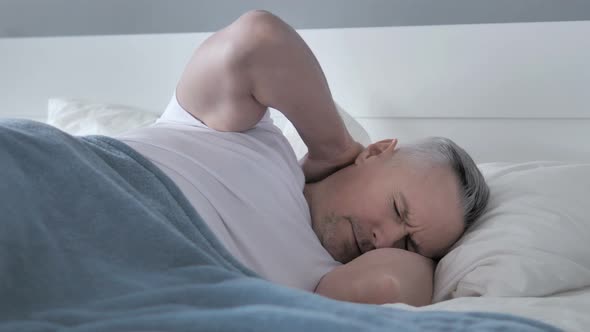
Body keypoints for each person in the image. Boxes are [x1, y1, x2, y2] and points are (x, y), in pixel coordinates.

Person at [116, 10, 489, 306]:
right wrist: (334, 147)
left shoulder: (326, 283)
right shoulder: (247, 135)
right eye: (397, 209)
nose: (385, 238)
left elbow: (394, 288)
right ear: (374, 152)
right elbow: (257, 39)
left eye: (409, 245)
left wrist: (423, 260)